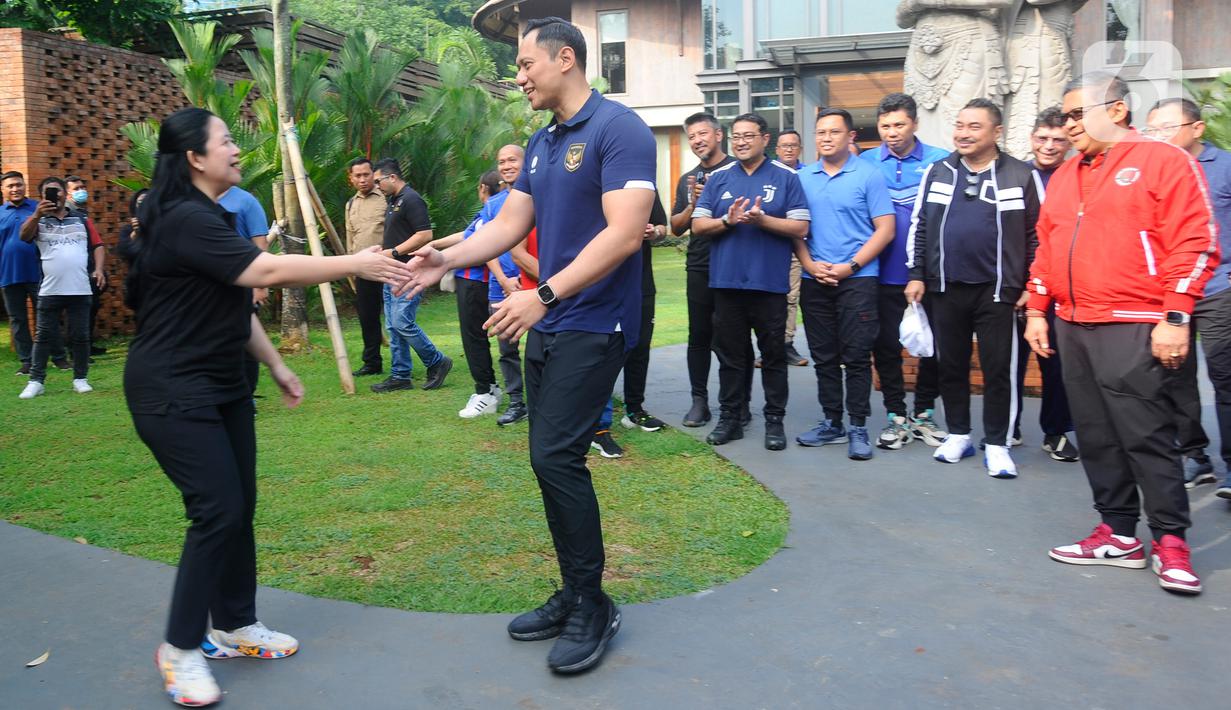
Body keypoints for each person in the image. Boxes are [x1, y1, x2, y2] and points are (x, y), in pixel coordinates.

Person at [123, 107, 407, 706]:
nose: (235, 149)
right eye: (225, 141)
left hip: (224, 384)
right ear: (194, 157)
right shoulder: (181, 218)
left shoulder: (214, 216)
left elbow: (236, 301)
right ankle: (179, 648)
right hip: (172, 388)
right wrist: (355, 262)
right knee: (217, 510)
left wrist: (276, 366)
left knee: (239, 507)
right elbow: (267, 269)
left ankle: (233, 624)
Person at [398, 17, 656, 674]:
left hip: (593, 323)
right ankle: (573, 591)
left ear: (564, 58)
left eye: (523, 63)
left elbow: (626, 232)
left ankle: (592, 603)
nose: (517, 76)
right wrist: (445, 258)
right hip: (550, 325)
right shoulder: (543, 142)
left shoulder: (619, 129)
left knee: (555, 457)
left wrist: (542, 294)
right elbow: (509, 222)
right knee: (549, 462)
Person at [1026, 73, 1216, 595]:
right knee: (1096, 434)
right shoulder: (1066, 175)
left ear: (1116, 110)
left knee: (1146, 434)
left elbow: (1195, 241)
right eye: (1064, 116)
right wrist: (1038, 309)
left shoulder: (1163, 161)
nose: (1067, 126)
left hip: (1135, 321)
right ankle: (1119, 533)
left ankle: (1171, 542)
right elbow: (1047, 246)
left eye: (1076, 114)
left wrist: (1175, 316)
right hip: (1073, 323)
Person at [905, 98, 1041, 479]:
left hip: (999, 291)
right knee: (951, 365)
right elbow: (920, 225)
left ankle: (997, 444)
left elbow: (1038, 235)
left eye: (974, 127)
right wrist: (917, 274)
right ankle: (959, 434)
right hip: (945, 288)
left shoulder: (1021, 175)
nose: (963, 134)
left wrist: (1032, 284)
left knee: (999, 370)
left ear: (997, 132)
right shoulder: (938, 172)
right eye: (960, 125)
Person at [692, 112, 811, 451]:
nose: (741, 142)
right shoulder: (719, 178)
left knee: (773, 356)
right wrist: (727, 222)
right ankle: (731, 418)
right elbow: (698, 226)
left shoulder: (786, 177)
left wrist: (763, 220)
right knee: (730, 357)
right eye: (737, 137)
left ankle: (775, 421)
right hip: (727, 283)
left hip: (769, 284)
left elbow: (801, 227)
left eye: (748, 136)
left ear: (765, 139)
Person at [794, 108, 895, 460]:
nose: (826, 138)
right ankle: (832, 422)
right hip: (815, 279)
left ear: (850, 136)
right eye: (820, 132)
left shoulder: (869, 175)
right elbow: (796, 229)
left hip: (858, 280)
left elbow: (885, 229)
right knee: (823, 356)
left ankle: (857, 426)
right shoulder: (803, 177)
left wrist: (850, 266)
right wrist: (809, 264)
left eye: (833, 132)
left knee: (856, 357)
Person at [1146, 98, 1231, 492]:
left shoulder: (1224, 166)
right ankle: (1195, 455)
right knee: (1174, 377)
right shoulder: (1153, 169)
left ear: (1197, 128)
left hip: (1218, 288)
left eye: (1167, 127)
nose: (1158, 137)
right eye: (1152, 130)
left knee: (1224, 376)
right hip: (1169, 291)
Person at [860, 93, 949, 450]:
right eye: (885, 126)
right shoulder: (865, 162)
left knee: (933, 347)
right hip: (879, 274)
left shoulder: (941, 161)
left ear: (915, 124)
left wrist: (923, 272)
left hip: (928, 276)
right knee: (885, 348)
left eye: (899, 124)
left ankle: (924, 413)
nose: (892, 132)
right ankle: (896, 415)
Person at [669, 112, 741, 428]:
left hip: (733, 265)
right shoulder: (689, 178)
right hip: (699, 266)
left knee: (733, 339)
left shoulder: (738, 171)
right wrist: (693, 203)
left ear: (718, 135)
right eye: (692, 136)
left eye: (703, 134)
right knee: (698, 336)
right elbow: (676, 227)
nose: (697, 141)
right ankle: (699, 401)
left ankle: (736, 404)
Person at [1017, 106, 1080, 462]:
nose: (1049, 146)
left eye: (1058, 139)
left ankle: (1055, 432)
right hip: (1017, 287)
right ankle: (1006, 429)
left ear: (1069, 143)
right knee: (1010, 363)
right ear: (1032, 138)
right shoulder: (1014, 174)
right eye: (1042, 138)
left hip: (1061, 287)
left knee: (1055, 363)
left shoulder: (1077, 175)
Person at [592, 194, 672, 459]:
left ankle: (634, 410)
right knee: (601, 352)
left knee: (639, 348)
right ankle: (598, 427)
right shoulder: (595, 186)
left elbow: (662, 228)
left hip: (640, 282)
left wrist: (653, 232)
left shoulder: (644, 189)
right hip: (600, 281)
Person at [17, 176, 106, 399]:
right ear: (41, 196)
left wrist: (99, 269)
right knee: (43, 336)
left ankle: (80, 379)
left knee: (80, 336)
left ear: (65, 194)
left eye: (57, 190)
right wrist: (37, 215)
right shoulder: (38, 221)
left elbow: (97, 245)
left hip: (80, 288)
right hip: (50, 289)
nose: (54, 195)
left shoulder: (81, 219)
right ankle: (36, 381)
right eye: (48, 191)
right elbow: (24, 236)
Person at [370, 157, 452, 394]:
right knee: (393, 326)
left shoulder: (412, 199)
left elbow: (425, 235)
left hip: (409, 270)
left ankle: (437, 361)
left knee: (401, 322)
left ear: (392, 177)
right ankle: (400, 375)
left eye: (378, 181)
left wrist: (395, 251)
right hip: (392, 270)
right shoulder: (394, 200)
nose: (376, 186)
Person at [2, 170, 66, 375]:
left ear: (24, 186)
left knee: (47, 316)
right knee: (18, 319)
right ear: (3, 189)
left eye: (19, 184)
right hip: (9, 275)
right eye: (10, 186)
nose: (15, 189)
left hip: (40, 272)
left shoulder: (39, 207)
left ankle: (59, 358)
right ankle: (27, 361)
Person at [218, 185, 270, 398]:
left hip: (243, 284)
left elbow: (260, 245)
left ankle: (247, 394)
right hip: (210, 288)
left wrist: (260, 285)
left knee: (246, 341)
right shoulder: (193, 199)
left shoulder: (245, 201)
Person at [344, 157, 387, 377]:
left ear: (373, 174)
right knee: (368, 317)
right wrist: (351, 265)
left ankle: (402, 364)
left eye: (366, 174)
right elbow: (350, 237)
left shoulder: (387, 198)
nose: (362, 180)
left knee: (397, 318)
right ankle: (372, 362)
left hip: (389, 266)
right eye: (357, 176)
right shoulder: (350, 204)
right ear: (351, 178)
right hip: (363, 269)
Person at [773, 128, 810, 368]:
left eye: (793, 145)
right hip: (772, 245)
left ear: (800, 149)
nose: (788, 149)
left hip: (799, 245)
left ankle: (785, 343)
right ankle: (770, 345)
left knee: (791, 297)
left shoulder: (808, 175)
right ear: (776, 149)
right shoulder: (769, 174)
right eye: (784, 146)